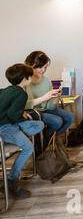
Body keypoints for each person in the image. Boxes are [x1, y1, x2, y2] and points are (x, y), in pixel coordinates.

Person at [0, 64, 44, 198]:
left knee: (39, 124)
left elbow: (9, 111)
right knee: (28, 148)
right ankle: (12, 179)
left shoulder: (5, 90)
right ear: (26, 78)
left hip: (8, 125)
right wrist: (21, 116)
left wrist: (21, 114)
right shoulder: (21, 93)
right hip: (6, 128)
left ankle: (19, 135)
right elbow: (13, 115)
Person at [24, 51, 74, 145]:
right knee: (57, 121)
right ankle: (42, 143)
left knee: (70, 117)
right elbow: (25, 105)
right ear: (30, 65)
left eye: (45, 67)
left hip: (44, 110)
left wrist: (55, 98)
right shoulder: (24, 81)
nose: (43, 70)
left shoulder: (46, 81)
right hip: (31, 112)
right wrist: (44, 97)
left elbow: (50, 107)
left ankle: (48, 141)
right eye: (40, 67)